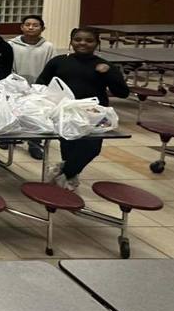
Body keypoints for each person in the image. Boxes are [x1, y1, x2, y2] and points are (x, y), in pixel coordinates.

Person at [37, 27, 130, 191]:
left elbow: (122, 93)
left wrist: (109, 74)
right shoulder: (58, 61)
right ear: (71, 41)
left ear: (97, 43)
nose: (83, 43)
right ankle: (67, 181)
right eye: (78, 40)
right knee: (69, 147)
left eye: (89, 41)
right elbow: (40, 84)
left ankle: (61, 171)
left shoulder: (105, 66)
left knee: (93, 148)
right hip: (65, 113)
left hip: (96, 115)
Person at [9, 14, 57, 161]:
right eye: (27, 24)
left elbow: (52, 67)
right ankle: (8, 139)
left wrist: (42, 86)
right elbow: (8, 65)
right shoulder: (12, 45)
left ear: (42, 28)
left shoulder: (48, 47)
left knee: (38, 116)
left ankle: (35, 143)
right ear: (22, 27)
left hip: (39, 87)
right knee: (13, 112)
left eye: (35, 25)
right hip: (16, 86)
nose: (31, 27)